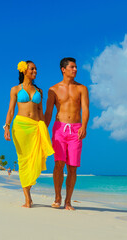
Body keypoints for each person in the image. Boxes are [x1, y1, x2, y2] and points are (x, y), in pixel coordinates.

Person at [4, 60, 54, 208]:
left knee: (35, 159)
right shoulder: (15, 89)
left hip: (36, 127)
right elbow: (11, 111)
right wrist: (6, 127)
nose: (35, 72)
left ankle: (28, 194)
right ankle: (27, 198)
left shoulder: (39, 91)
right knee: (24, 160)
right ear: (24, 70)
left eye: (36, 69)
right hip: (20, 127)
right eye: (32, 69)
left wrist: (44, 128)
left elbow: (40, 111)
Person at [45, 57, 89, 210]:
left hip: (76, 129)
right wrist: (43, 129)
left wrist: (84, 126)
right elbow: (49, 112)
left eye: (76, 67)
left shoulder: (82, 88)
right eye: (72, 67)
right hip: (59, 129)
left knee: (73, 167)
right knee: (59, 164)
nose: (75, 69)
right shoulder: (53, 89)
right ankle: (57, 197)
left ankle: (68, 201)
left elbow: (85, 109)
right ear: (63, 69)